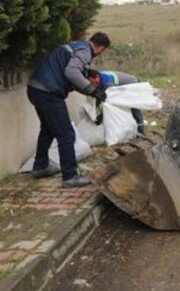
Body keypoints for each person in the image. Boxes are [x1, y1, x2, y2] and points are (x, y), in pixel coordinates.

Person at [26, 32, 111, 187]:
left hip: (35, 89)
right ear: (100, 47)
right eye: (102, 51)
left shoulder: (75, 47)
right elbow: (71, 73)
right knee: (66, 134)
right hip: (49, 92)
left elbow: (72, 80)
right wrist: (92, 90)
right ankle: (70, 176)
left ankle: (40, 166)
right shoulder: (85, 51)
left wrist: (91, 93)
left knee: (48, 129)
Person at [89, 70, 145, 135]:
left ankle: (140, 131)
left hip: (134, 85)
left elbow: (112, 102)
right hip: (122, 87)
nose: (92, 85)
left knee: (134, 108)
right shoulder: (99, 77)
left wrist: (99, 118)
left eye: (92, 82)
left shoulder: (107, 83)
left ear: (96, 77)